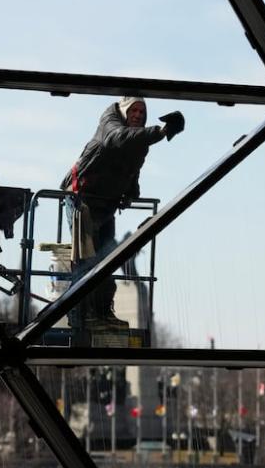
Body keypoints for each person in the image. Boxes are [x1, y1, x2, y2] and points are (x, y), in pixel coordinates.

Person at [63, 95, 184, 331]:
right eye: (134, 111)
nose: (138, 116)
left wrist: (131, 191)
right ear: (124, 111)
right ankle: (78, 316)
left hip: (105, 204)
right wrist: (160, 131)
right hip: (82, 199)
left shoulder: (139, 143)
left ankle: (102, 313)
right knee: (86, 261)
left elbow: (132, 168)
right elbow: (117, 139)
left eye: (142, 112)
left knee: (108, 261)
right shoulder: (110, 123)